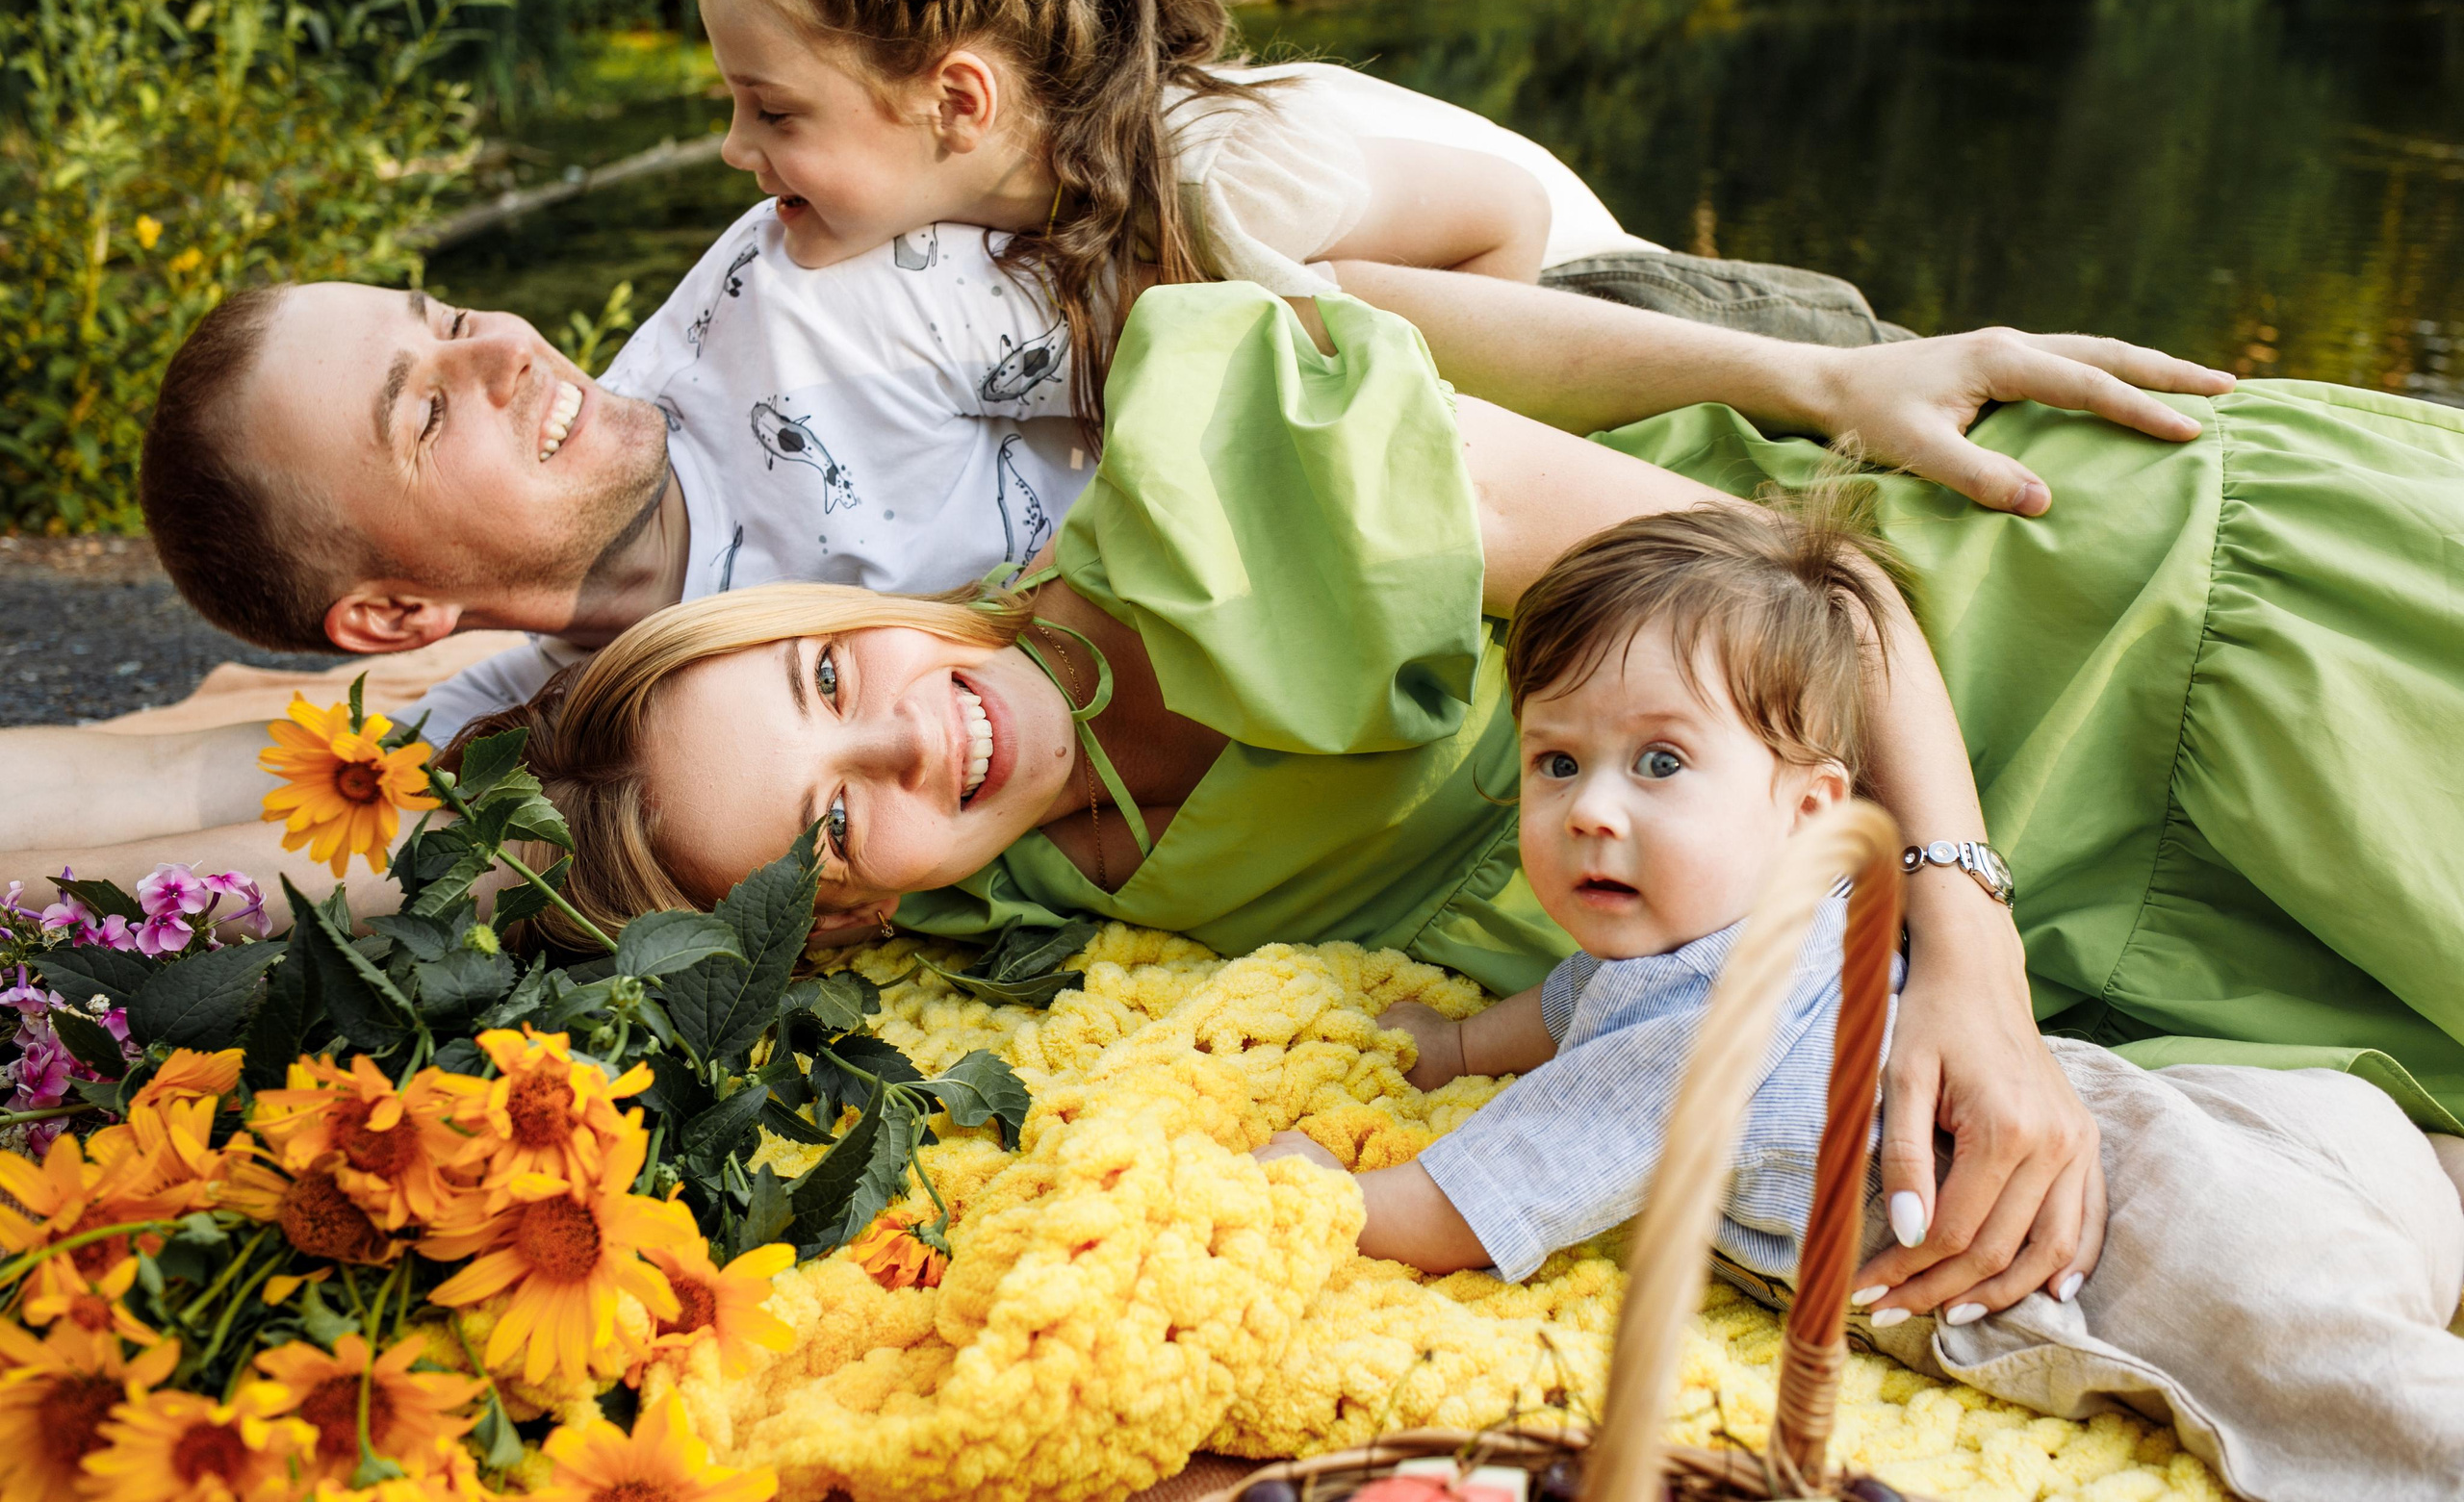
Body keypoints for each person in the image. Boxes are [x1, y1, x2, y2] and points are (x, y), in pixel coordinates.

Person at [483, 276, 2464, 1330]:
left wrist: (1964, 953)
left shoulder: (1209, 455)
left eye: (834, 678)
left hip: (2117, 645)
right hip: (2084, 922)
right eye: (833, 821)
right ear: (843, 917)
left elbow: (1813, 581)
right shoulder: (1028, 928)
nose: (907, 743)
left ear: (846, 608)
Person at [1259, 502, 2464, 1501]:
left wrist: (1325, 1192)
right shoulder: (1767, 918)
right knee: (2403, 1198)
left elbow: (1477, 1203)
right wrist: (1460, 1039)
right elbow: (1576, 1006)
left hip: (2138, 1253)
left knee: (2364, 1417)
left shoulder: (1695, 1039)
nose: (1590, 809)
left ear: (1810, 808)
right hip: (2237, 1127)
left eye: (1661, 763)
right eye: (1555, 760)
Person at [687, 0, 1925, 452]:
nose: (738, 148)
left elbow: (1501, 215)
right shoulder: (1002, 191)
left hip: (1637, 317)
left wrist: (1435, 449)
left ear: (958, 100)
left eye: (774, 111)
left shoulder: (1219, 182)